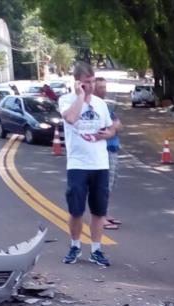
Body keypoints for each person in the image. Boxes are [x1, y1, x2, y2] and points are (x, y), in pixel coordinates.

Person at [59, 62, 116, 267]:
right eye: (86, 83)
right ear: (77, 83)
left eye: (92, 82)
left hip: (100, 164)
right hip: (77, 164)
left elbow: (110, 128)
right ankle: (75, 246)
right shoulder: (66, 100)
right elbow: (71, 118)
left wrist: (108, 133)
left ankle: (96, 250)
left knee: (99, 211)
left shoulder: (101, 104)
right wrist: (80, 97)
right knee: (76, 210)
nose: (90, 86)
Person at [94, 77, 122, 230]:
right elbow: (105, 129)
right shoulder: (95, 107)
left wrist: (113, 127)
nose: (104, 90)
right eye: (100, 87)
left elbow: (119, 124)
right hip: (104, 151)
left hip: (113, 149)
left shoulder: (106, 107)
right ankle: (100, 217)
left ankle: (104, 212)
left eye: (105, 87)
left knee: (111, 184)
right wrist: (113, 127)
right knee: (104, 185)